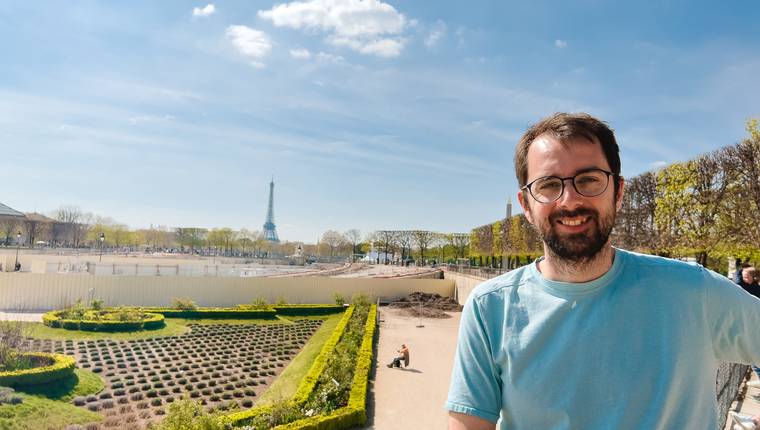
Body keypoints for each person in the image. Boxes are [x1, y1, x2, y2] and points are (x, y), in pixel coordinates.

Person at [446, 112, 760, 429]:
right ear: (526, 205)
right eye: (549, 185)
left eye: (589, 180)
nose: (570, 200)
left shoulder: (696, 291)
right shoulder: (489, 308)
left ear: (618, 192)